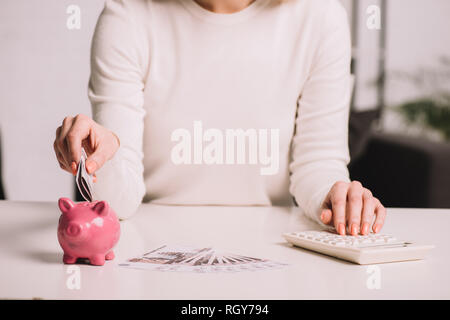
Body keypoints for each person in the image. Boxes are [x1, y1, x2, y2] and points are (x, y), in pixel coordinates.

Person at [53, 0, 386, 236]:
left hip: (276, 250)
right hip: (149, 250)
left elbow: (318, 162)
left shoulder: (321, 19)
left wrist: (335, 197)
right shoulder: (127, 17)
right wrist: (103, 156)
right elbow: (119, 202)